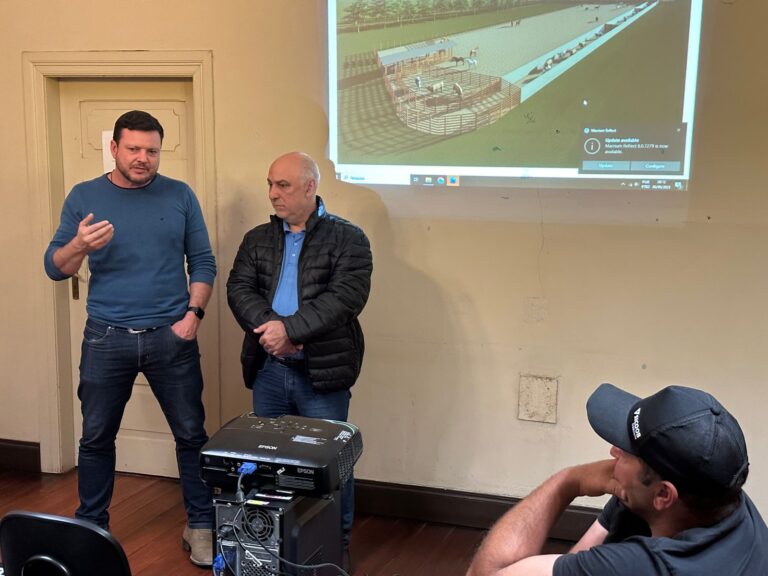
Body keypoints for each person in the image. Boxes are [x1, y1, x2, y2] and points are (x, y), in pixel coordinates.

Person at [43, 110, 217, 567]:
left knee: (191, 435)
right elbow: (54, 267)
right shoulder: (85, 196)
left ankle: (200, 524)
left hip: (172, 338)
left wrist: (193, 314)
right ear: (115, 148)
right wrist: (79, 245)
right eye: (134, 149)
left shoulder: (180, 195)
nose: (143, 158)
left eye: (152, 151)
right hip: (106, 337)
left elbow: (203, 262)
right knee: (97, 438)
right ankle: (91, 527)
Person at [227, 151, 372, 568]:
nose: (273, 194)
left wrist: (290, 332)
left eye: (283, 185)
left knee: (330, 466)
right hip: (269, 368)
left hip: (321, 372)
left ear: (310, 187)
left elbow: (344, 299)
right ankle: (273, 545)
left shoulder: (349, 238)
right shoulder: (257, 238)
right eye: (270, 184)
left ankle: (335, 546)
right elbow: (239, 290)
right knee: (268, 461)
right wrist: (273, 333)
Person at [466, 383, 767, 575]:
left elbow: (485, 573)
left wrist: (568, 481)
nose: (613, 451)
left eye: (625, 452)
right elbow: (581, 558)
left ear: (663, 495)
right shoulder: (724, 499)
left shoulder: (644, 567)